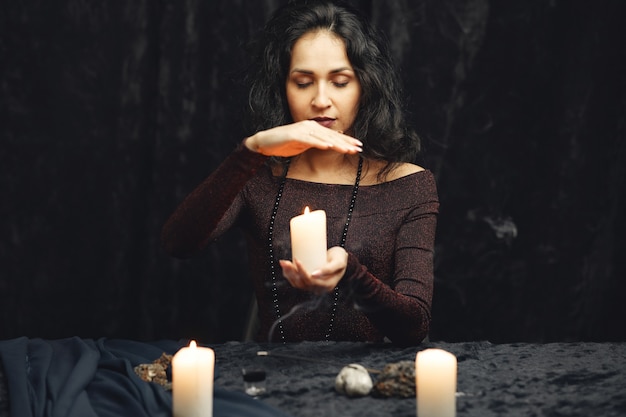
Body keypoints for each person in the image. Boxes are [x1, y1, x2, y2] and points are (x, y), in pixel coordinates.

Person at [161, 0, 439, 346]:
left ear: (365, 88)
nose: (321, 100)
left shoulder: (409, 185)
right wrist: (252, 150)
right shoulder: (259, 177)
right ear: (283, 88)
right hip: (271, 380)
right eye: (304, 82)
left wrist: (351, 274)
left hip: (367, 385)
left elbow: (415, 327)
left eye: (339, 82)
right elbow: (178, 243)